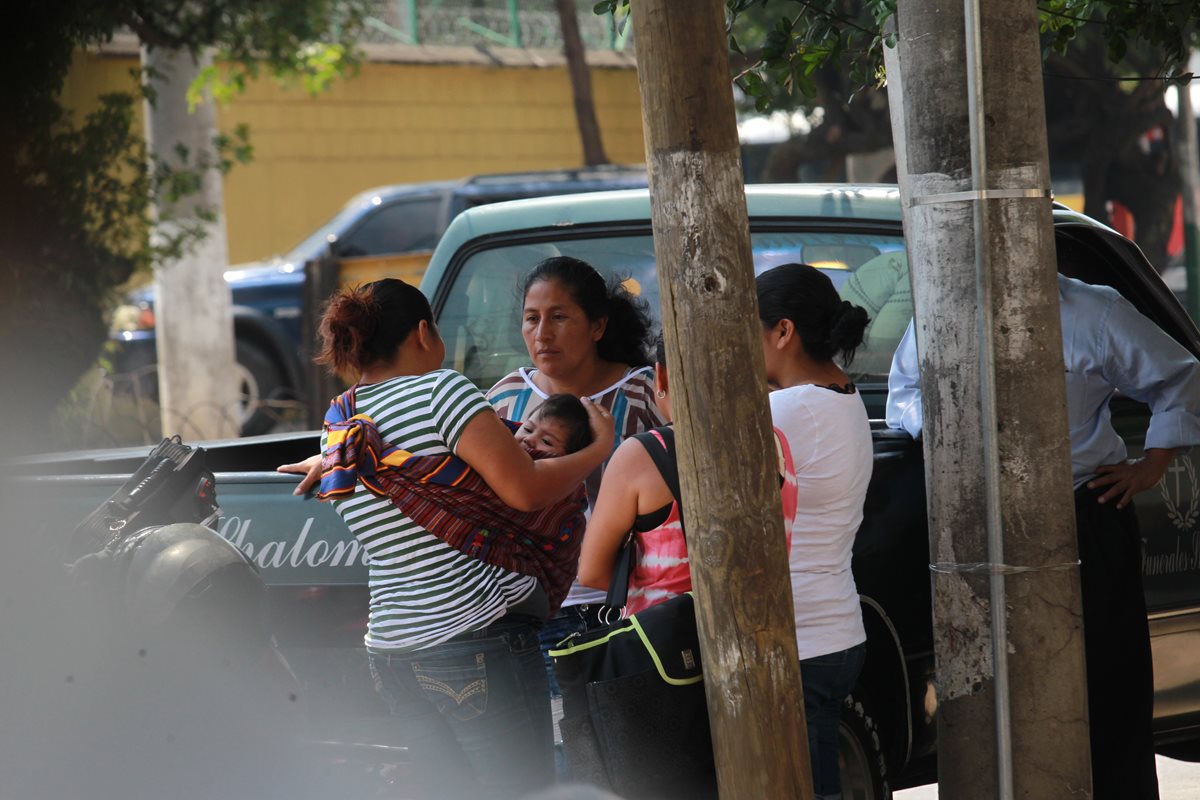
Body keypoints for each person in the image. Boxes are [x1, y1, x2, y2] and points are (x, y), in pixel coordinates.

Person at [281, 278, 615, 800]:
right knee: (522, 792)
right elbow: (526, 490)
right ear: (423, 333)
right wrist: (598, 448)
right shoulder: (442, 390)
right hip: (471, 636)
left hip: (391, 649)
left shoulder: (339, 424)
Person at [887, 274, 1200, 800]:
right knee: (994, 694)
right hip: (977, 522)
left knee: (1107, 685)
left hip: (1083, 511)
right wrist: (953, 434)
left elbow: (1181, 376)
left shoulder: (1094, 311)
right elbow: (903, 395)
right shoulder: (942, 307)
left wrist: (1152, 465)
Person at [486, 257, 667, 679]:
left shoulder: (645, 394)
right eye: (532, 319)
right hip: (525, 613)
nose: (542, 334)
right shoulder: (503, 399)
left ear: (597, 326)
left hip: (625, 606)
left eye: (559, 317)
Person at [758, 263, 873, 800]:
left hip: (798, 638)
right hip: (837, 630)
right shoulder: (844, 394)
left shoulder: (785, 408)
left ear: (783, 331)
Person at [579, 335, 798, 615]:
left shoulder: (641, 455)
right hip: (762, 625)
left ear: (661, 376)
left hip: (669, 637)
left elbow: (591, 572)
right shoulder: (776, 442)